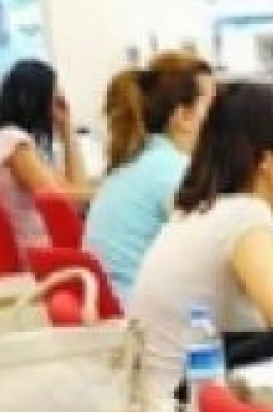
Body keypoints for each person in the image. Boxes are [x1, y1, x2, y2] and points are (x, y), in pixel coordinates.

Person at [129, 82, 273, 397]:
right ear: (265, 158)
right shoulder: (245, 213)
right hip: (185, 410)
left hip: (157, 396)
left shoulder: (195, 212)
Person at [84, 51, 216, 303]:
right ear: (183, 116)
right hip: (139, 311)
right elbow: (212, 253)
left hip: (113, 304)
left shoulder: (137, 160)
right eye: (213, 104)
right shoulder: (172, 170)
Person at [0, 58, 90, 257]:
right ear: (38, 99)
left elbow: (76, 196)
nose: (58, 102)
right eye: (54, 95)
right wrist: (105, 194)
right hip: (40, 256)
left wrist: (67, 129)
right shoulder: (13, 143)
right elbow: (65, 202)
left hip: (38, 253)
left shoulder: (9, 141)